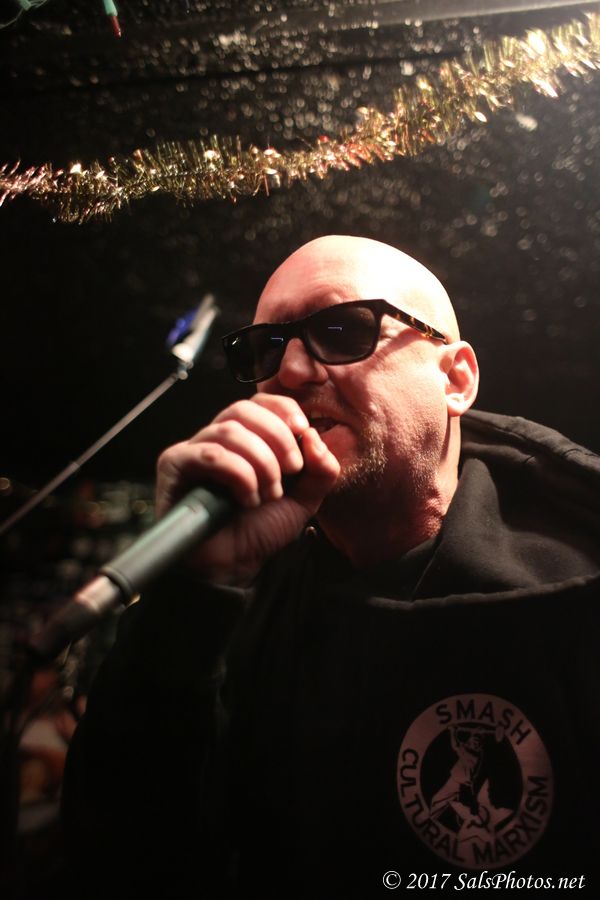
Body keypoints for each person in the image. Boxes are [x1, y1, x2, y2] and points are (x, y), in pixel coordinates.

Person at [63, 236, 600, 898]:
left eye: (343, 329)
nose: (288, 370)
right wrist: (189, 598)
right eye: (264, 348)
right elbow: (123, 855)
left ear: (456, 379)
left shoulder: (576, 594)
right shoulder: (235, 599)